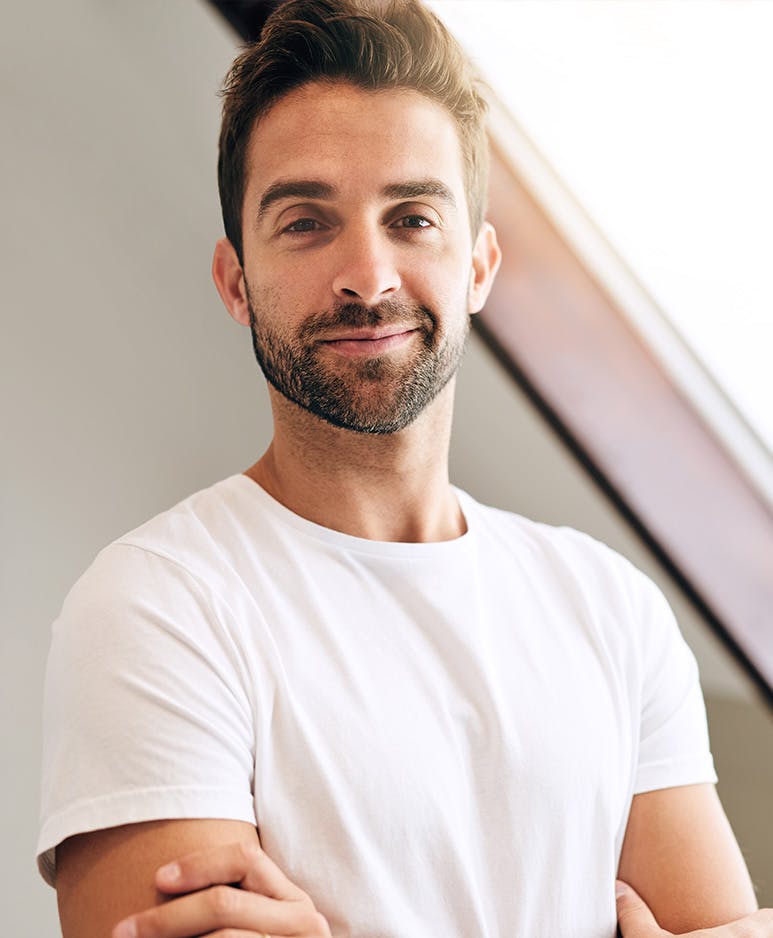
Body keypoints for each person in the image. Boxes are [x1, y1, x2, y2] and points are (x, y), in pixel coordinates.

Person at [37, 1, 771, 936]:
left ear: (478, 266)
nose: (367, 275)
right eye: (305, 222)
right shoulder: (158, 609)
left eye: (413, 216)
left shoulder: (610, 610)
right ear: (234, 282)